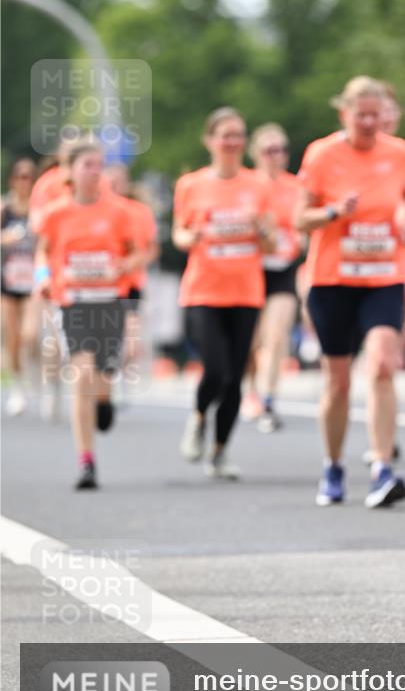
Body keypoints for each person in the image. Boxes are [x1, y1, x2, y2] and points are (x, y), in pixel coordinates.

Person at [295, 76, 405, 508]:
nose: (368, 122)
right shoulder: (321, 154)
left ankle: (382, 469)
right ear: (343, 113)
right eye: (360, 115)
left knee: (382, 365)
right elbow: (299, 218)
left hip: (383, 276)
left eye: (375, 115)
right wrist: (331, 212)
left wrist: (404, 217)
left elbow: (403, 198)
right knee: (338, 381)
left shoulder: (401, 152)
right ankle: (333, 465)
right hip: (333, 280)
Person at [34, 140, 142, 489]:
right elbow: (42, 252)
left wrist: (124, 265)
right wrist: (43, 277)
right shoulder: (56, 213)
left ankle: (105, 400)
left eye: (99, 165)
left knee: (105, 372)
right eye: (87, 165)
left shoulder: (119, 212)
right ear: (70, 171)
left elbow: (138, 253)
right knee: (81, 376)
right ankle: (86, 461)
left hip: (109, 302)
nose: (96, 172)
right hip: (73, 303)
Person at [173, 107, 275, 478]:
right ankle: (199, 417)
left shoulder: (259, 185)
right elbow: (179, 233)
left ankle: (219, 452)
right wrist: (192, 236)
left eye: (238, 135)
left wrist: (261, 230)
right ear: (209, 140)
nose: (232, 142)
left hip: (246, 292)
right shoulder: (191, 185)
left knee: (235, 376)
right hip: (203, 291)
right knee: (215, 369)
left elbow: (272, 243)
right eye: (225, 135)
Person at [245, 123, 302, 432]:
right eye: (269, 150)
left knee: (276, 336)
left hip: (283, 269)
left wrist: (298, 239)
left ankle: (268, 399)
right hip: (249, 271)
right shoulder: (246, 185)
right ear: (256, 154)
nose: (276, 156)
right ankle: (251, 391)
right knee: (251, 342)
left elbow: (302, 227)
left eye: (281, 149)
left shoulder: (296, 187)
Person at [105, 163, 159, 405]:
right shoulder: (97, 211)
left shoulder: (139, 212)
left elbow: (151, 249)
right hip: (102, 287)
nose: (115, 187)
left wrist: (131, 263)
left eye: (119, 182)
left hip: (131, 285)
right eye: (111, 182)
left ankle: (123, 379)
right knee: (107, 340)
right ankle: (107, 383)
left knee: (131, 343)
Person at [1, 158, 37, 415]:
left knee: (30, 333)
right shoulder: (4, 208)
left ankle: (38, 372)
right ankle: (17, 387)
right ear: (13, 179)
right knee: (12, 335)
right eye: (21, 176)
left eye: (30, 177)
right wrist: (6, 238)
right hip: (9, 279)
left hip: (33, 280)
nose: (25, 182)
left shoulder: (40, 210)